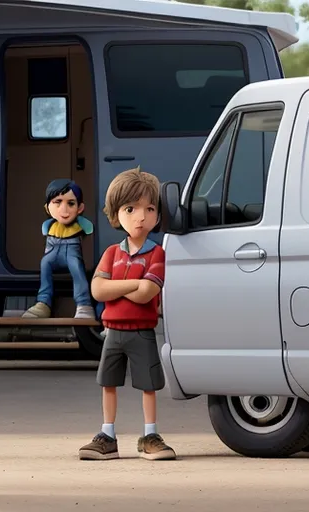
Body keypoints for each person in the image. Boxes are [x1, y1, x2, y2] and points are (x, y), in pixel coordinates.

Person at [78, 167, 176, 461]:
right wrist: (134, 283)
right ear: (115, 213)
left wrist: (116, 286)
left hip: (142, 332)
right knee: (108, 383)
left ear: (158, 214)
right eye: (130, 208)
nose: (140, 216)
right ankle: (107, 434)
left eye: (149, 208)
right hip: (113, 333)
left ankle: (150, 434)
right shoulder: (111, 252)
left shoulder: (157, 253)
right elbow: (97, 290)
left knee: (148, 385)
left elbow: (146, 293)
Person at [22, 179, 95, 319]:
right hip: (52, 248)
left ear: (80, 208)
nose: (64, 209)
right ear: (47, 208)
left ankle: (84, 304)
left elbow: (89, 229)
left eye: (71, 203)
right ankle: (43, 303)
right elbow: (45, 234)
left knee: (77, 268)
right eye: (57, 202)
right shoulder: (48, 225)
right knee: (45, 264)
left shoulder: (80, 223)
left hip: (72, 249)